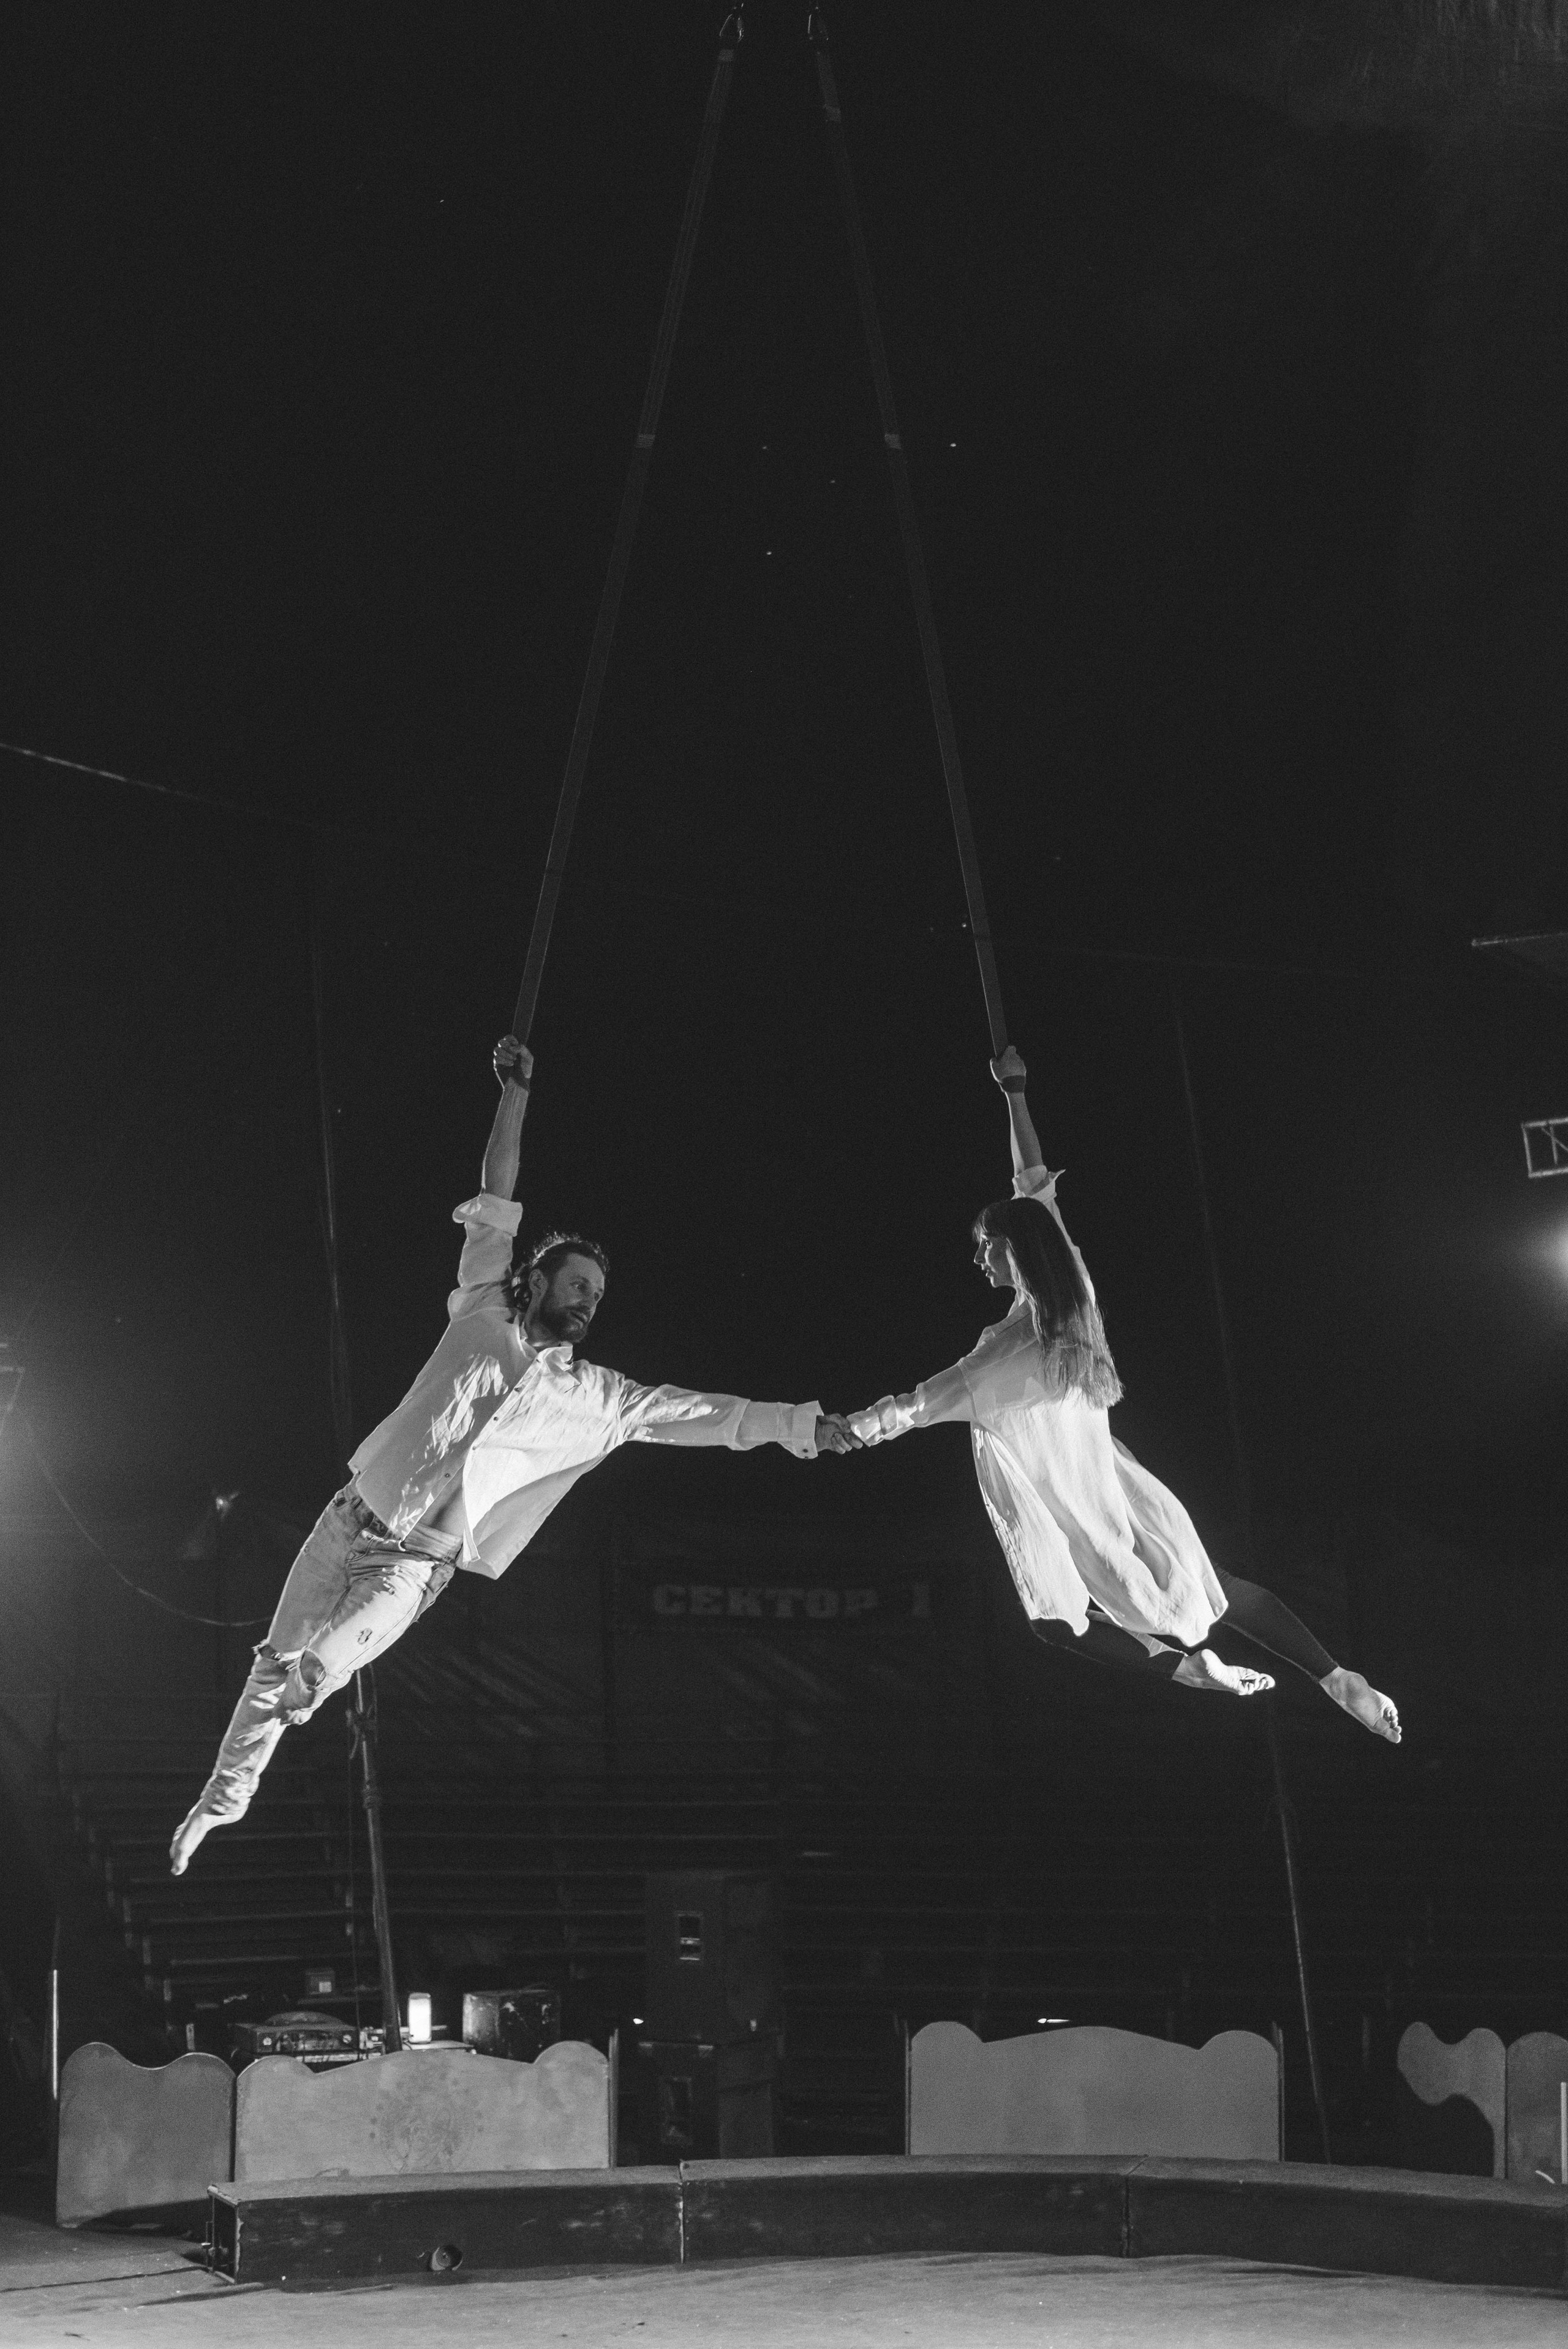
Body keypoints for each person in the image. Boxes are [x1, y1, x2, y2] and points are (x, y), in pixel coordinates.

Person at [170, 1035, 857, 1875]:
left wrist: (803, 1426)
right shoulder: (481, 1310)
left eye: (598, 1296)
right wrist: (516, 1092)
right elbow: (498, 1195)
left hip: (413, 1567)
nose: (588, 1301)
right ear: (534, 1281)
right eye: (577, 1285)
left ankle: (313, 1684)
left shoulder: (598, 1400)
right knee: (268, 1670)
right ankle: (219, 1803)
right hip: (345, 1519)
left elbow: (707, 1412)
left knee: (309, 1669)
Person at [847, 1046, 1400, 1743]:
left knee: (1057, 1622)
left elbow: (911, 1408)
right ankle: (1334, 1677)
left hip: (1069, 1499)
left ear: (1014, 1251)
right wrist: (1014, 1092)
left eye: (984, 1246)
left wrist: (841, 1431)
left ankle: (1187, 1671)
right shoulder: (1075, 1295)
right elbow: (1034, 1188)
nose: (977, 1257)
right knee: (1210, 1584)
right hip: (1112, 1476)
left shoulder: (997, 1357)